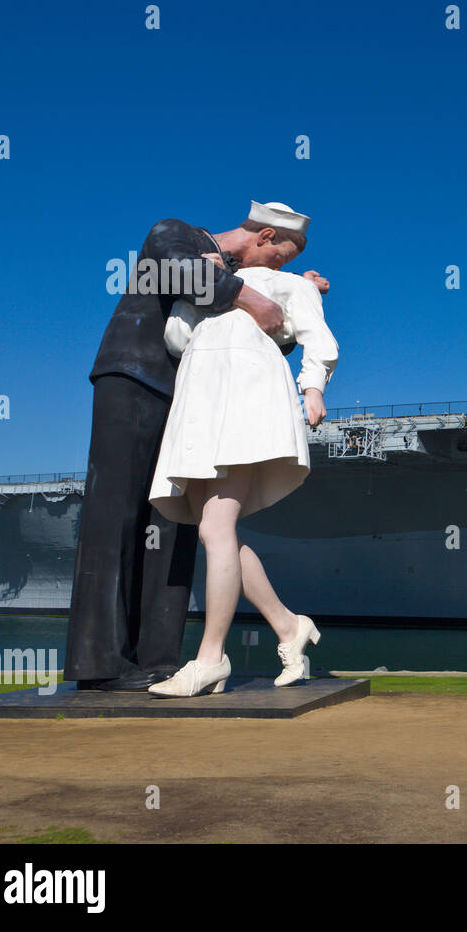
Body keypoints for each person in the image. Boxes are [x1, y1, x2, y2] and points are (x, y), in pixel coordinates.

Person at [66, 201, 328, 692]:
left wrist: (290, 294)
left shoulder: (239, 280)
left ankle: (158, 659)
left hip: (198, 398)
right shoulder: (177, 234)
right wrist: (257, 293)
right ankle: (100, 661)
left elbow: (267, 333)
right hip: (135, 379)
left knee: (178, 525)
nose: (277, 269)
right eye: (279, 261)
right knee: (114, 514)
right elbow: (179, 273)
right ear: (265, 237)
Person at [146, 242, 339, 697]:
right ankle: (288, 625)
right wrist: (205, 281)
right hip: (198, 398)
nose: (281, 258)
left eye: (287, 253)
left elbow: (318, 336)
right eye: (279, 248)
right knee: (219, 533)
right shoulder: (214, 288)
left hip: (246, 392)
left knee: (215, 527)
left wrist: (312, 387)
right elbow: (176, 336)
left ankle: (211, 658)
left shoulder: (290, 285)